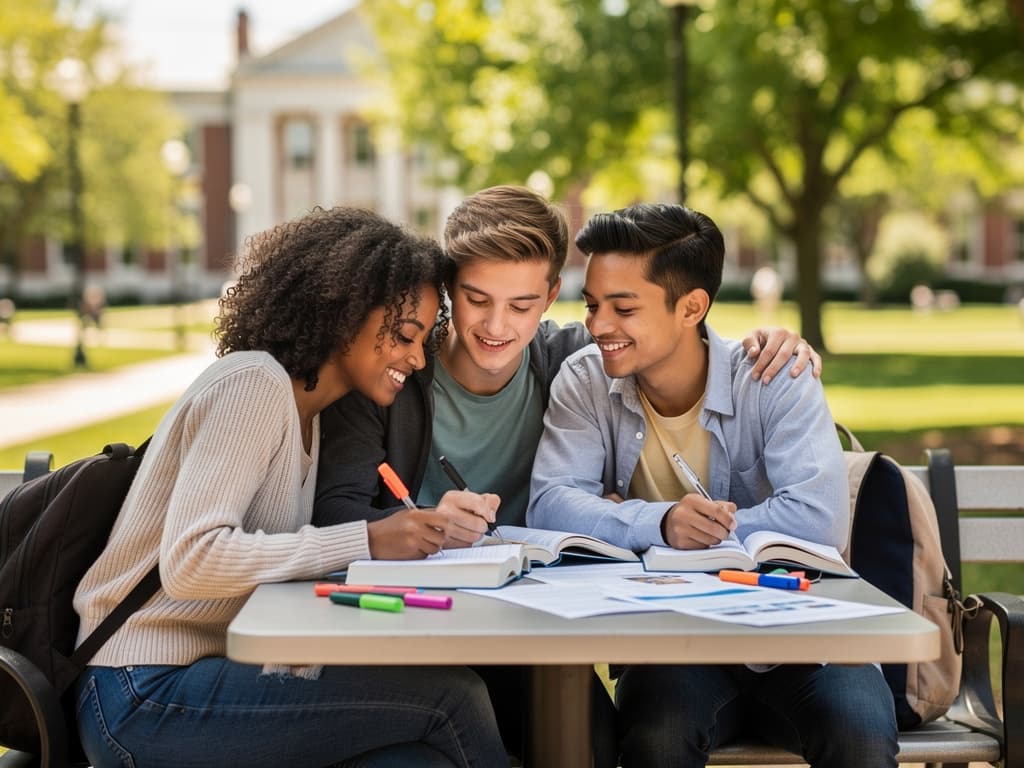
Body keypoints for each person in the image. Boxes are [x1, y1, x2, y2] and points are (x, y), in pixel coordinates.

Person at [313, 185, 821, 763]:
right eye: (476, 299)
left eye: (522, 305)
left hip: (527, 629)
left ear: (552, 294)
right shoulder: (391, 373)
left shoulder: (572, 363)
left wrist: (772, 343)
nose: (496, 327)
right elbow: (334, 517)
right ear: (448, 289)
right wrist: (413, 526)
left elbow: (667, 327)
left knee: (593, 745)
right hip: (409, 628)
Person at [72, 207, 507, 768]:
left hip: (204, 674)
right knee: (454, 698)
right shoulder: (254, 386)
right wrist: (369, 541)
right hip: (138, 692)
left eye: (423, 340)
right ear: (344, 310)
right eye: (404, 335)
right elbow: (191, 559)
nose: (416, 359)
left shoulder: (311, 413)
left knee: (416, 759)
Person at [528, 203, 898, 767]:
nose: (599, 325)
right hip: (673, 650)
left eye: (623, 307)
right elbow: (551, 504)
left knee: (862, 737)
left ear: (691, 307)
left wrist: (656, 529)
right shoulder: (585, 380)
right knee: (655, 738)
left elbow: (818, 517)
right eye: (594, 305)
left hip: (804, 644)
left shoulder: (774, 378)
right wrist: (661, 522)